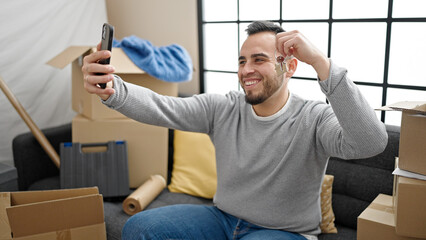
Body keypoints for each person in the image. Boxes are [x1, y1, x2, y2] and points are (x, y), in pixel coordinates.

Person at [82, 21, 388, 240]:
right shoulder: (223, 108)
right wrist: (111, 89)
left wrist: (321, 62)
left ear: (290, 67)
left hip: (284, 233)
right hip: (222, 218)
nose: (245, 70)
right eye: (242, 61)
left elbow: (371, 142)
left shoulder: (315, 118)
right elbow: (163, 107)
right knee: (139, 228)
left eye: (259, 60)